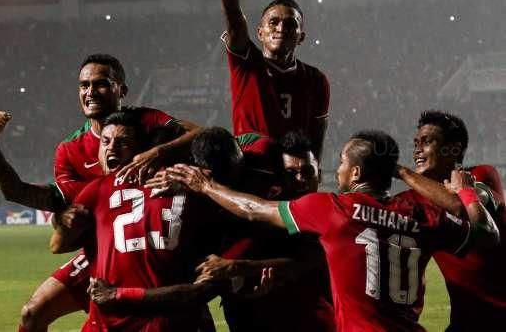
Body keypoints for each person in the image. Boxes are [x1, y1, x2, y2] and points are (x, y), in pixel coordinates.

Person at [148, 130, 500, 331]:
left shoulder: (333, 209)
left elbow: (255, 210)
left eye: (344, 163)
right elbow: (487, 233)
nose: (340, 170)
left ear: (357, 175)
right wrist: (464, 191)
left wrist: (204, 186)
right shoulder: (422, 214)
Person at [0, 54, 201, 332]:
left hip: (151, 245)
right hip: (101, 253)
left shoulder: (146, 121)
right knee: (32, 313)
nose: (90, 92)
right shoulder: (70, 150)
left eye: (100, 84)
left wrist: (157, 153)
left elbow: (203, 135)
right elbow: (28, 196)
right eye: (83, 85)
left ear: (121, 90)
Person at [90, 129, 334, 331]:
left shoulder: (311, 208)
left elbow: (299, 258)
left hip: (309, 317)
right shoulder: (218, 213)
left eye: (308, 172)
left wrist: (119, 296)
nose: (299, 180)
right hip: (251, 311)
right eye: (291, 173)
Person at [60, 113, 226, 332]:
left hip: (113, 316)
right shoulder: (202, 191)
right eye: (106, 142)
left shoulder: (100, 188)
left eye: (122, 142)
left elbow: (57, 245)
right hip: (170, 317)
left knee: (34, 310)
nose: (112, 149)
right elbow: (201, 290)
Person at [400, 110, 506, 330]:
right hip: (465, 324)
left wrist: (403, 173)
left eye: (427, 141)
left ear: (454, 149)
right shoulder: (414, 202)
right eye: (416, 142)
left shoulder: (482, 173)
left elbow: (465, 205)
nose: (417, 149)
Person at [215, 0, 329, 159]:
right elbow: (234, 16)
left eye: (291, 24)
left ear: (301, 37)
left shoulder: (316, 79)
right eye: (273, 22)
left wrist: (315, 165)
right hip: (252, 165)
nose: (281, 27)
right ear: (259, 33)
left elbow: (318, 130)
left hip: (292, 171)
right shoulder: (247, 61)